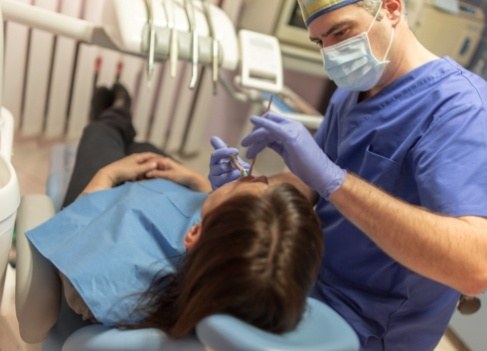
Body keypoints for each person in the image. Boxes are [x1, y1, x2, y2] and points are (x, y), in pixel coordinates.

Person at [208, 0, 487, 350]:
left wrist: (334, 180)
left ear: (391, 8)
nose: (332, 52)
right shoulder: (351, 92)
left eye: (340, 32)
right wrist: (246, 189)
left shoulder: (459, 111)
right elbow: (312, 184)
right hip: (307, 277)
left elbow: (473, 268)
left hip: (371, 323)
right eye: (319, 41)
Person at [25, 83, 324, 339]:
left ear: (195, 232)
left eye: (238, 186)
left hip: (112, 201)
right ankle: (124, 126)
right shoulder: (245, 278)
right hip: (162, 198)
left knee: (101, 136)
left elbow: (79, 235)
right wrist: (196, 181)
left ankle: (114, 113)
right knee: (146, 149)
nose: (256, 176)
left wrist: (109, 175)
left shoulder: (111, 283)